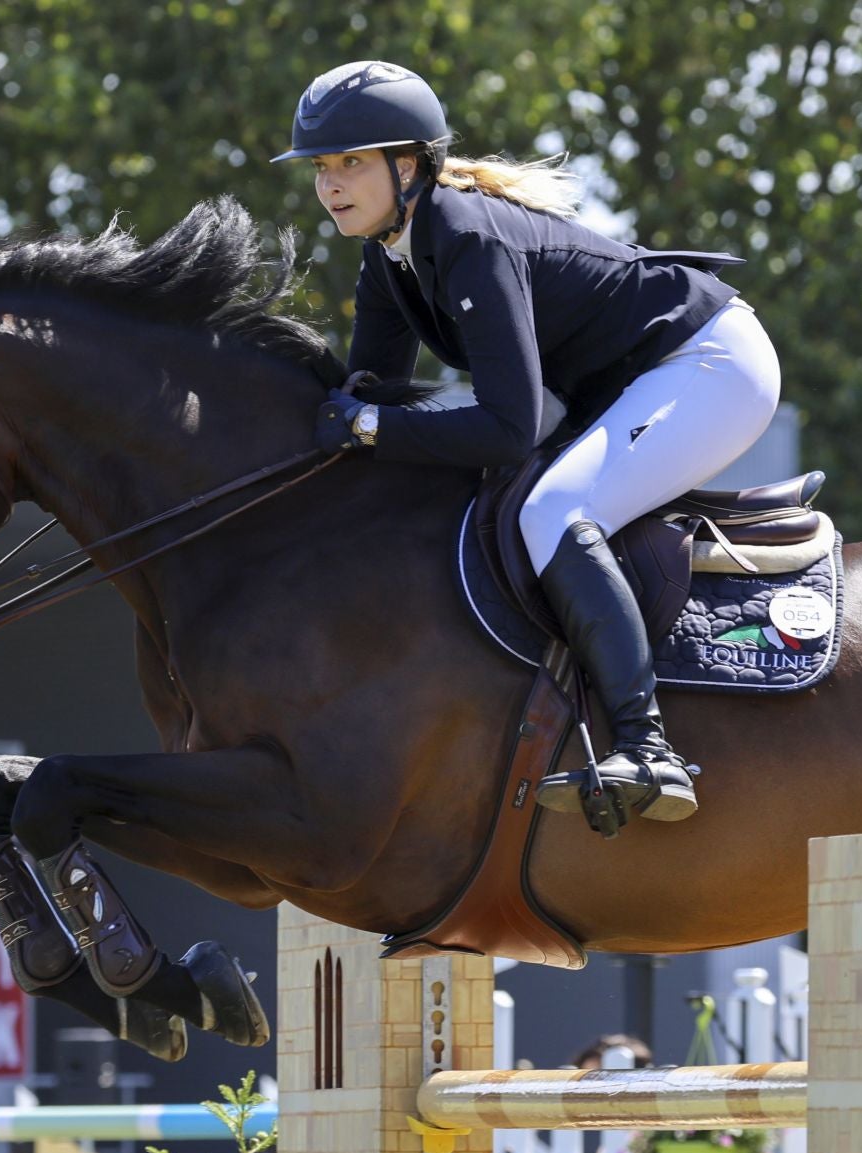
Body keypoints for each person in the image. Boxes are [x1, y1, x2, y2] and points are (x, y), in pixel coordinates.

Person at [273, 60, 782, 822]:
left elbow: (506, 430)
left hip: (708, 362)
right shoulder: (389, 257)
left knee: (553, 511)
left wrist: (370, 427)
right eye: (321, 167)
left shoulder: (466, 235)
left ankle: (648, 751)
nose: (330, 185)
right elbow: (366, 396)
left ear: (406, 165)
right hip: (628, 384)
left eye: (351, 162)